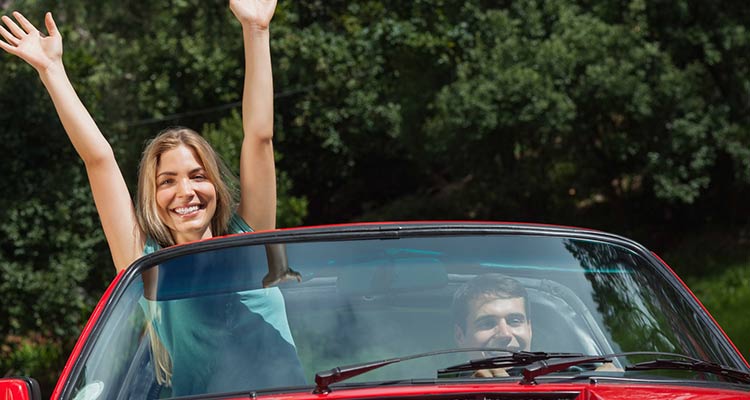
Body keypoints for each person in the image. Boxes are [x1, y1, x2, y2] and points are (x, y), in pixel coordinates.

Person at [1, 0, 304, 395]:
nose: (185, 192)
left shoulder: (250, 238)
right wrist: (52, 70)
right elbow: (99, 160)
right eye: (167, 182)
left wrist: (257, 30)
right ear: (153, 195)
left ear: (215, 184)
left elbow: (260, 136)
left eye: (197, 176)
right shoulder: (147, 266)